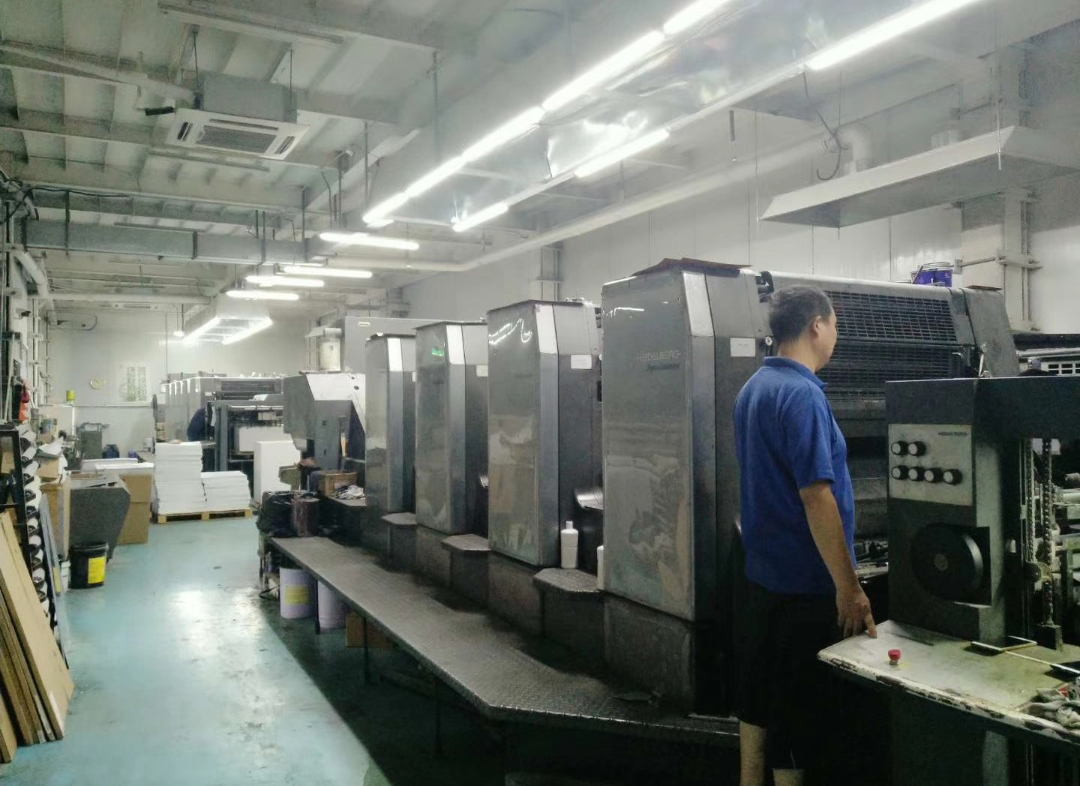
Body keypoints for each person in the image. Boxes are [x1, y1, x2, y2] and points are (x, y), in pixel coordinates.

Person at [733, 285, 876, 786]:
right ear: (817, 325)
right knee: (799, 707)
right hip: (804, 582)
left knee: (760, 691)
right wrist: (849, 587)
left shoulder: (754, 388)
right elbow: (817, 497)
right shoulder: (803, 395)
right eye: (835, 325)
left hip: (762, 575)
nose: (836, 335)